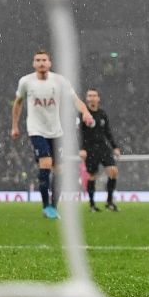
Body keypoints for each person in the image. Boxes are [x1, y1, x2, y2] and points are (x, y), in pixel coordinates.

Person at [11, 49, 95, 220]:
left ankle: (53, 206)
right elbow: (18, 103)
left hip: (56, 131)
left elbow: (75, 100)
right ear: (34, 63)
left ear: (50, 63)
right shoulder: (26, 82)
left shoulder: (59, 81)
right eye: (38, 60)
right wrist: (15, 126)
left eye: (44, 60)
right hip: (36, 130)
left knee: (60, 171)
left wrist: (85, 112)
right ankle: (45, 206)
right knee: (46, 163)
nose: (41, 63)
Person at [81, 89, 120, 213]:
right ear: (87, 99)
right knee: (92, 175)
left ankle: (109, 202)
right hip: (90, 148)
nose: (92, 98)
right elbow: (78, 133)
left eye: (94, 95)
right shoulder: (83, 114)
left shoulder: (102, 114)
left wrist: (114, 147)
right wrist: (81, 149)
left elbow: (108, 132)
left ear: (98, 98)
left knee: (113, 171)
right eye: (90, 96)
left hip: (103, 147)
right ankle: (92, 205)